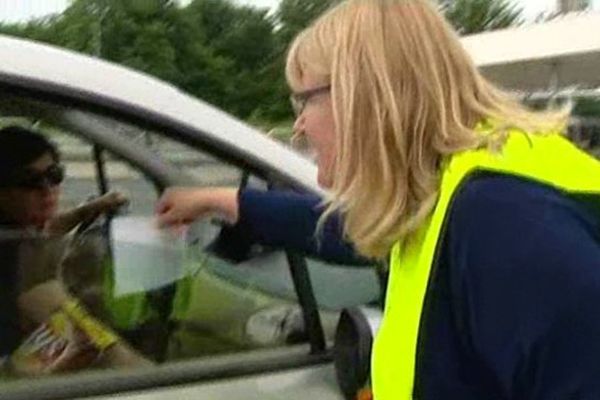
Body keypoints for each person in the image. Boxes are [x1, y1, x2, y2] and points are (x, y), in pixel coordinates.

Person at [157, 1, 600, 399]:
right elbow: (347, 229)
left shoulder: (505, 224)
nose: (298, 128)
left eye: (303, 101)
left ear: (362, 94)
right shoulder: (438, 192)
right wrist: (220, 200)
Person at [0, 125, 149, 375]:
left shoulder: (19, 228)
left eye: (54, 175)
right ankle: (154, 381)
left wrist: (86, 211)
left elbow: (48, 228)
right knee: (49, 299)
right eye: (28, 181)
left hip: (24, 357)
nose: (46, 189)